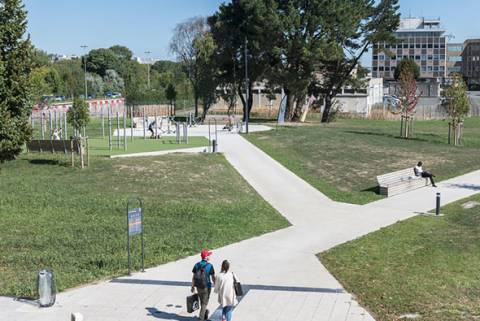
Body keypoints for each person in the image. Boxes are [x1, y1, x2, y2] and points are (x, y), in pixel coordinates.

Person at [191, 250, 216, 321]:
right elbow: (213, 277)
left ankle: (204, 313)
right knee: (205, 303)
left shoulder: (196, 265)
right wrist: (216, 285)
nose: (210, 256)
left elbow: (193, 277)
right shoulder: (210, 266)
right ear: (206, 257)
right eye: (209, 255)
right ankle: (201, 318)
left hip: (198, 286)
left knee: (202, 300)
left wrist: (192, 286)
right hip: (206, 287)